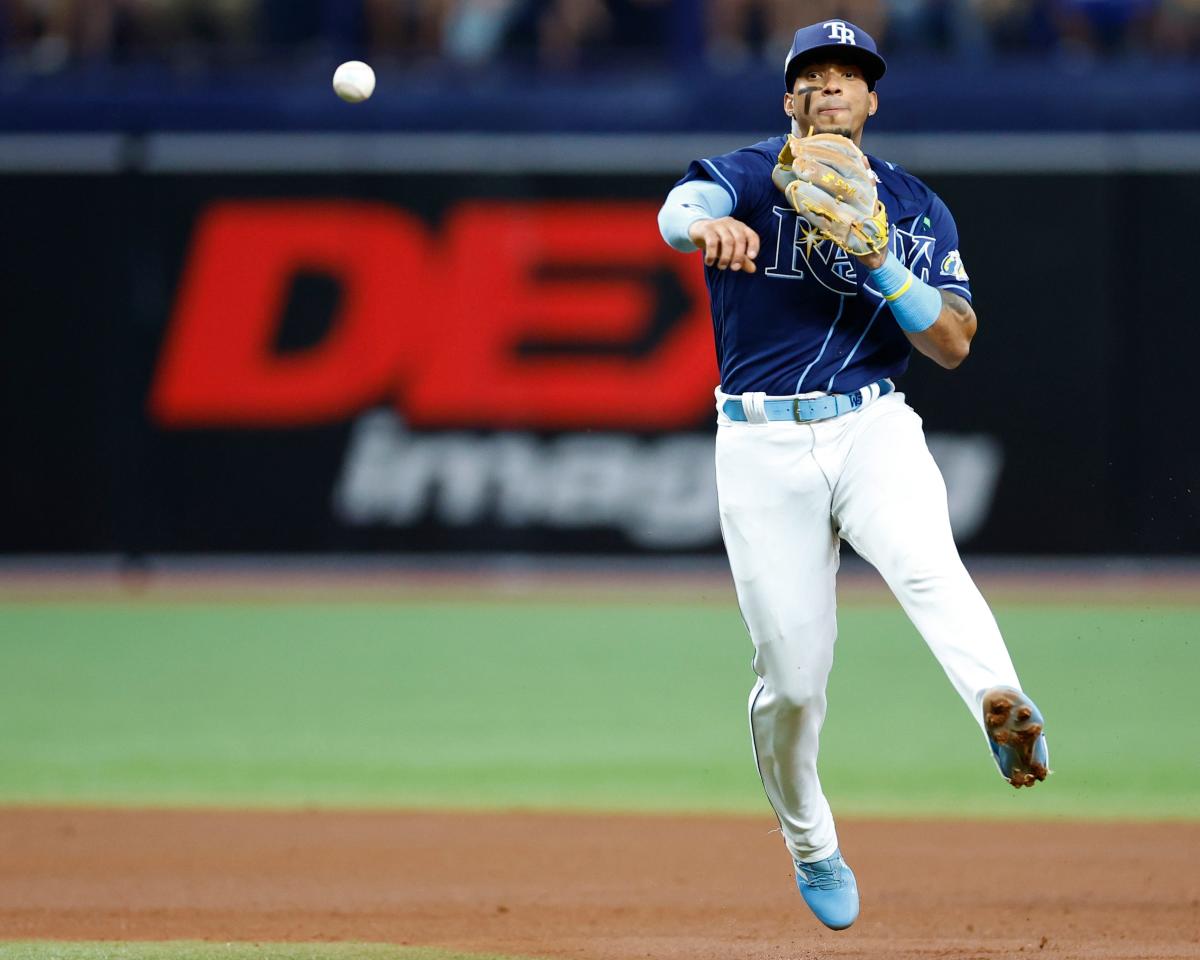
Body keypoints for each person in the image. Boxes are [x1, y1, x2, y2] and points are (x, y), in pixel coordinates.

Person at [656, 19, 1049, 932]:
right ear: (789, 97)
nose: (831, 87)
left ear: (872, 99)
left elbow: (951, 343)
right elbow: (677, 212)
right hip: (760, 445)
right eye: (814, 75)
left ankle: (1001, 700)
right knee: (792, 680)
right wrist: (706, 224)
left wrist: (880, 262)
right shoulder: (749, 176)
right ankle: (809, 840)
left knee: (926, 565)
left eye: (849, 76)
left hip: (872, 424)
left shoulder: (914, 208)